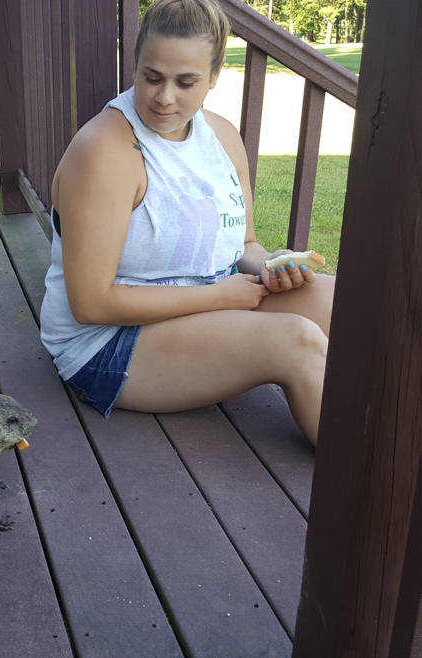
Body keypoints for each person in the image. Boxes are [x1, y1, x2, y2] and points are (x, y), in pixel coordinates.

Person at [40, 0, 334, 444]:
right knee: (296, 341)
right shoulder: (105, 151)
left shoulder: (222, 136)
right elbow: (91, 304)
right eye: (151, 77)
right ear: (136, 65)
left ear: (214, 76)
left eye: (186, 81)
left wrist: (271, 264)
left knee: (345, 303)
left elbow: (246, 245)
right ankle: (377, 476)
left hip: (207, 306)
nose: (164, 97)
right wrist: (217, 296)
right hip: (107, 344)